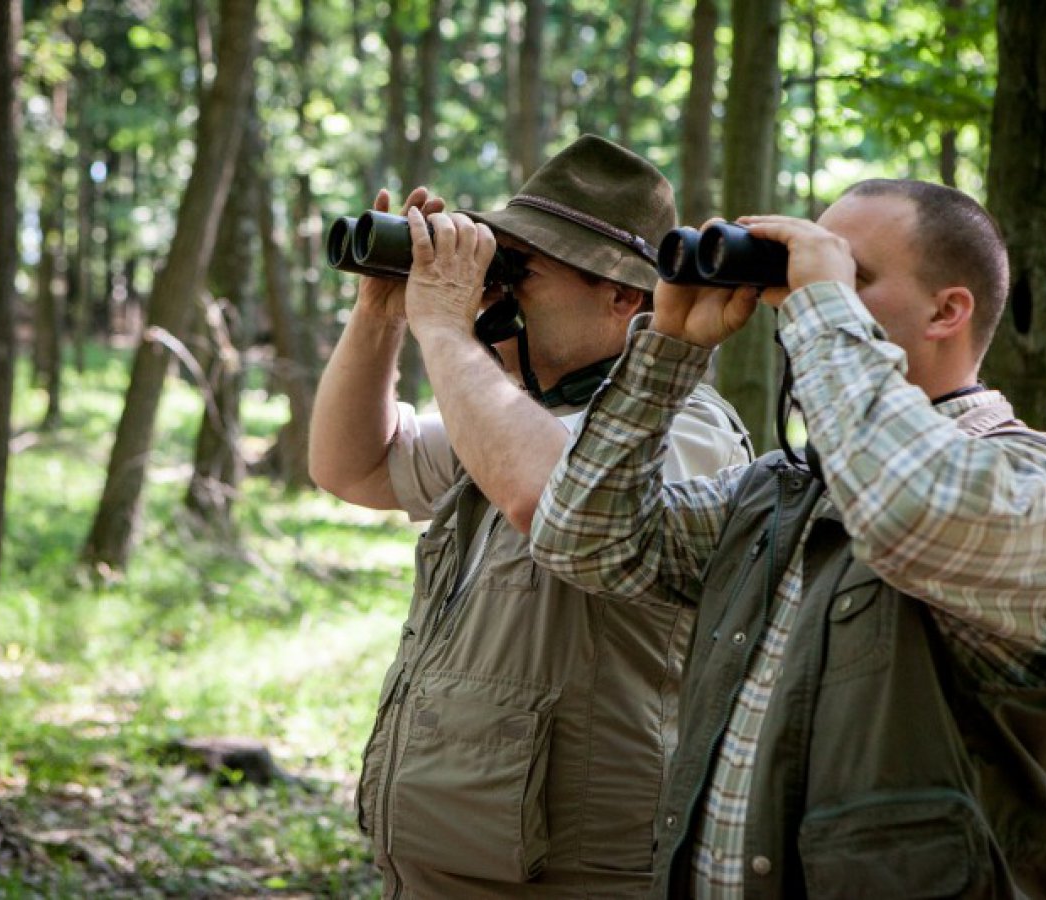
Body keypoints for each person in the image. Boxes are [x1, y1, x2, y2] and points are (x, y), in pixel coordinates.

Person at [529, 179, 1046, 898]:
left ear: (947, 310)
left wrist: (819, 306)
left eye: (847, 273)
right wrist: (667, 353)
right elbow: (580, 538)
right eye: (809, 272)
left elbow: (902, 510)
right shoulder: (781, 490)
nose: (804, 295)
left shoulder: (1034, 489)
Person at [308, 134, 753, 897]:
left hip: (574, 875)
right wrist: (382, 313)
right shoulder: (518, 418)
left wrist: (445, 330)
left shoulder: (684, 428)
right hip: (453, 869)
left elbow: (549, 496)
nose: (494, 293)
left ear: (623, 295)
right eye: (494, 267)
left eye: (519, 273)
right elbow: (352, 465)